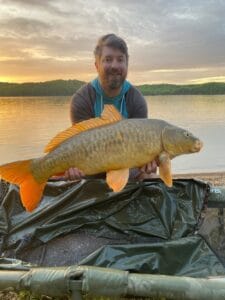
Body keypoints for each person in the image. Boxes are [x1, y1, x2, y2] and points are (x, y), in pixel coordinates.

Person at [63, 33, 157, 180]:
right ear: (97, 65)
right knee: (70, 177)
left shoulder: (136, 100)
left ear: (126, 65)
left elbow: (141, 150)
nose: (114, 66)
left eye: (120, 60)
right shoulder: (82, 99)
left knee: (151, 175)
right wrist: (71, 170)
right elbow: (79, 147)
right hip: (90, 172)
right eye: (108, 59)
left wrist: (147, 164)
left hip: (127, 170)